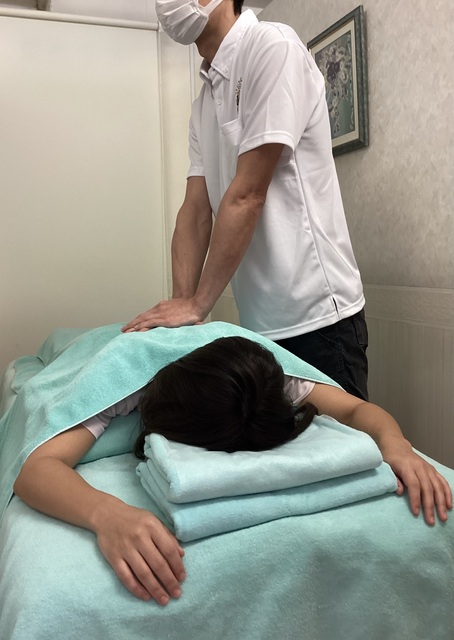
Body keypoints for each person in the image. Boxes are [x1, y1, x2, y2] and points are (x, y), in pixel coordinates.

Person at [13, 335, 453, 607]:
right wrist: (105, 514)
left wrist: (396, 444)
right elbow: (38, 467)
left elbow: (356, 409)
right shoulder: (134, 382)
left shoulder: (264, 379)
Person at [122, 0, 369, 400]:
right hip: (259, 328)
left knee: (340, 439)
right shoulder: (204, 102)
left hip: (319, 321)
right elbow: (195, 211)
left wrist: (198, 305)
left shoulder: (272, 46)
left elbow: (248, 194)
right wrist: (181, 307)